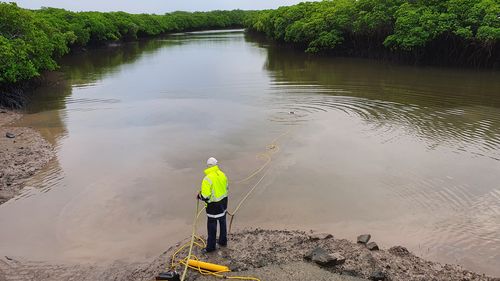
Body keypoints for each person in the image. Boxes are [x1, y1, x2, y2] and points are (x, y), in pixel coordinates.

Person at [196, 157, 228, 253]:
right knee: (223, 222)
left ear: (208, 166)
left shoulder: (207, 179)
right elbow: (226, 188)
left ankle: (211, 247)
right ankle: (223, 241)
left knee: (211, 226)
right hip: (223, 203)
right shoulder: (223, 174)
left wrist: (199, 196)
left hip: (213, 206)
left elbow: (205, 196)